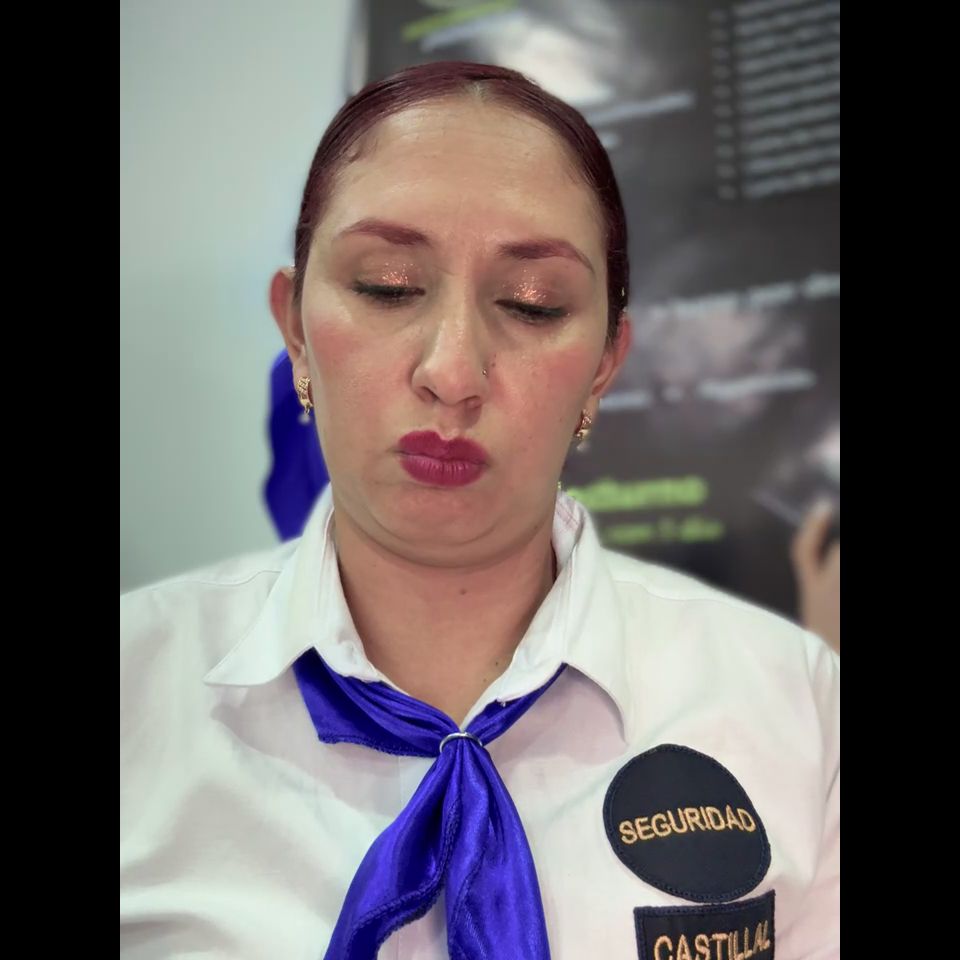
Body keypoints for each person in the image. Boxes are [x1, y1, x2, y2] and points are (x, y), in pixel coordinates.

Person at [120, 61, 839, 960]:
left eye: (532, 305)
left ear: (604, 366)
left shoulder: (793, 703)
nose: (453, 372)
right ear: (296, 331)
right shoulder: (136, 696)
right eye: (387, 286)